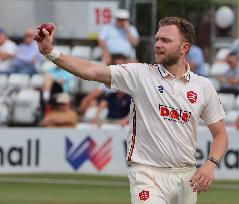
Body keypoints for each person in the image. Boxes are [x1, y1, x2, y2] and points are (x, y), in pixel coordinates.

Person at [35, 17, 228, 204]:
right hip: (147, 173)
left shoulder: (203, 86)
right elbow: (91, 71)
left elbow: (220, 135)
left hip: (186, 175)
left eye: (166, 40)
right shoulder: (140, 74)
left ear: (184, 48)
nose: (157, 45)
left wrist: (210, 165)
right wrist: (50, 52)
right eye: (157, 39)